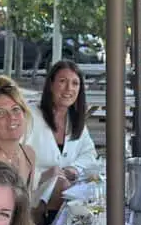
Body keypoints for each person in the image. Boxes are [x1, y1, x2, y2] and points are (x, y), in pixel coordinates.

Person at [26, 59, 99, 214]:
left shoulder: (74, 120)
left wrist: (73, 168)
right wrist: (43, 175)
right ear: (51, 85)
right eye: (62, 81)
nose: (69, 89)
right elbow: (15, 161)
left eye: (75, 83)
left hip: (64, 197)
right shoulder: (30, 116)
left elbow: (90, 153)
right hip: (31, 198)